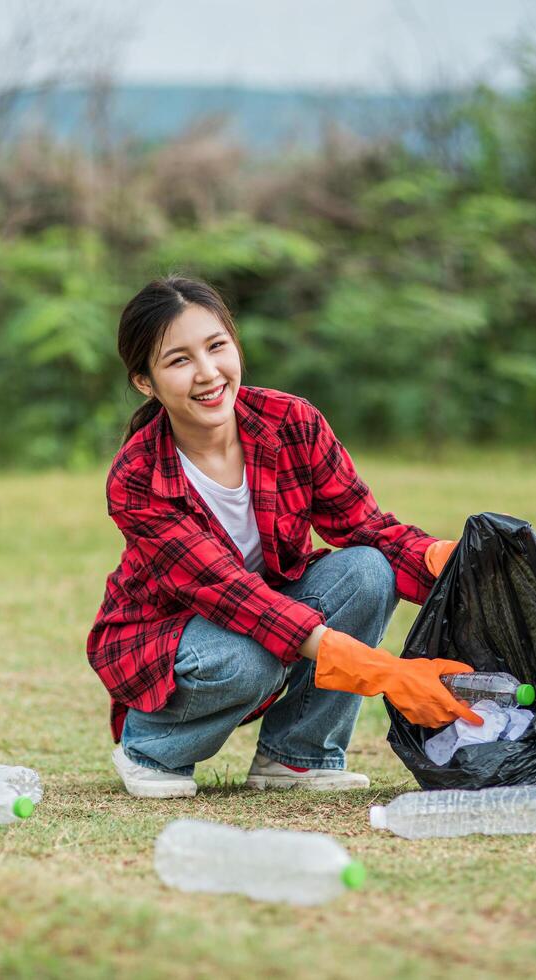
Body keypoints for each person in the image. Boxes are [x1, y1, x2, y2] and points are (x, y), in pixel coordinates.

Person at [86, 276, 482, 799]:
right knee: (247, 659)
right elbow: (233, 595)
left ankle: (297, 756)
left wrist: (455, 562)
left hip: (259, 617)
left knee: (367, 569)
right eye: (179, 361)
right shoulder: (138, 478)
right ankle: (152, 748)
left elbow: (367, 528)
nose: (208, 374)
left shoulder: (291, 422)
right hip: (170, 636)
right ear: (145, 382)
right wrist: (385, 674)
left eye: (216, 346)